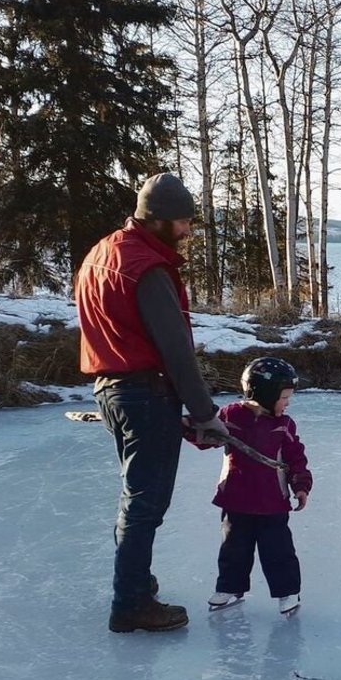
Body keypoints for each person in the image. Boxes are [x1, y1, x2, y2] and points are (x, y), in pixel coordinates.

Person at [75, 172, 230, 633]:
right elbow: (175, 350)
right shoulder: (148, 268)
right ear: (160, 220)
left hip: (111, 390)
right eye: (183, 222)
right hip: (144, 393)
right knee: (145, 503)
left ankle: (135, 579)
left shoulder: (104, 251)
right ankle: (131, 603)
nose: (187, 231)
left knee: (135, 496)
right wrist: (204, 413)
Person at [188, 357, 312, 617]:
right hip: (236, 500)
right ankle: (231, 588)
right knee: (233, 550)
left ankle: (287, 592)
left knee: (278, 552)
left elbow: (295, 458)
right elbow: (205, 438)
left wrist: (301, 485)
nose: (288, 403)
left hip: (272, 504)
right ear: (265, 394)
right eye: (284, 397)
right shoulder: (230, 415)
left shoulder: (283, 425)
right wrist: (186, 426)